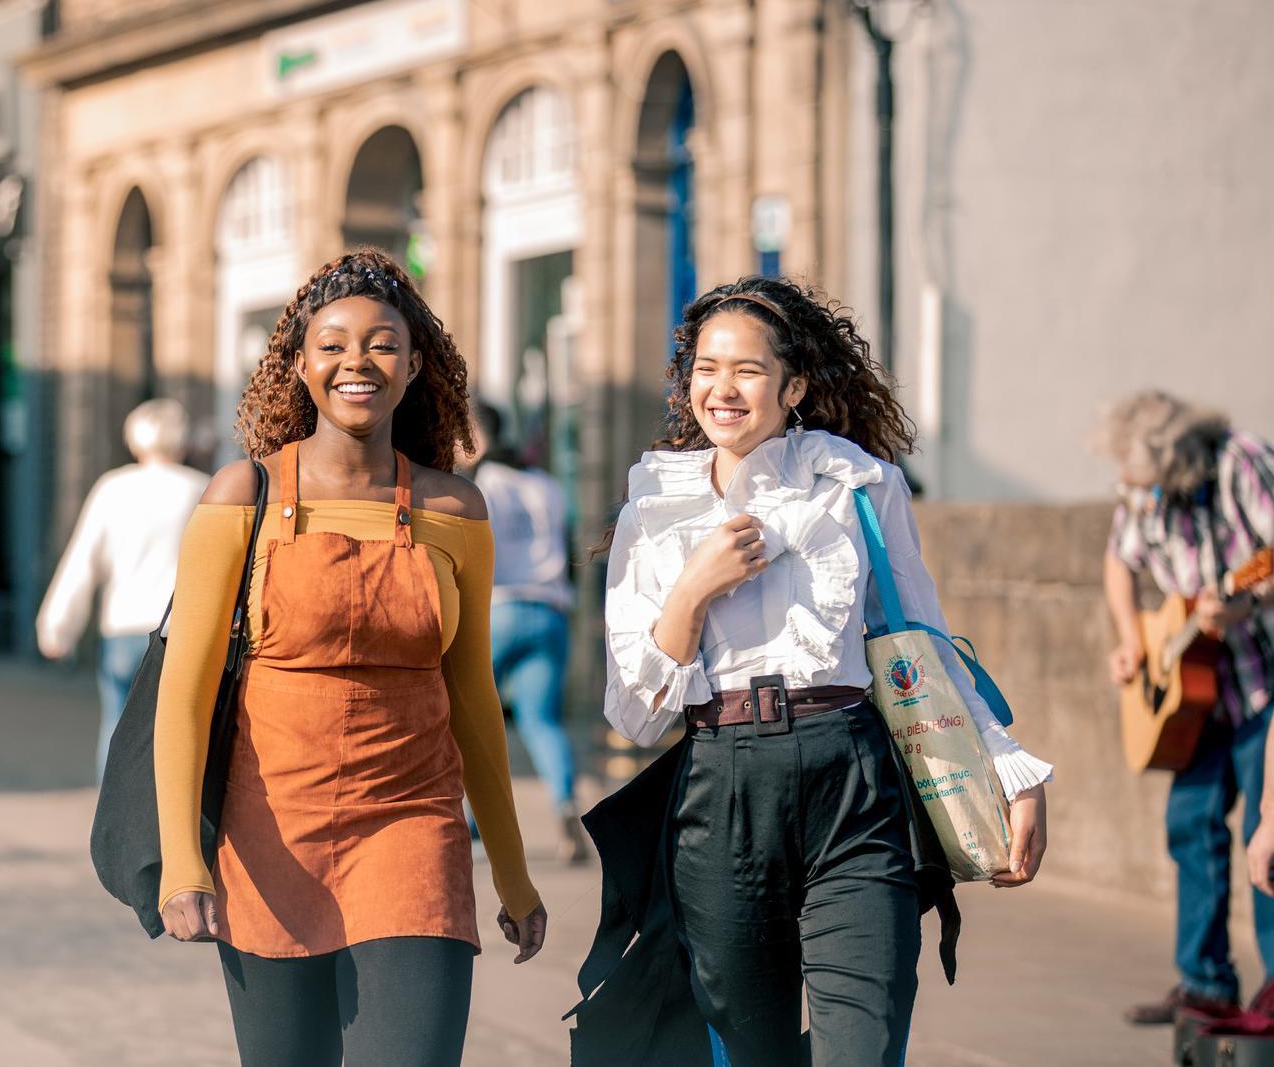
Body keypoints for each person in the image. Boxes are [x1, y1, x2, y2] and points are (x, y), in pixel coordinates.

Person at [593, 277, 1051, 1065]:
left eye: (746, 369)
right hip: (720, 791)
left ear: (793, 385)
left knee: (863, 1044)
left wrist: (1009, 766)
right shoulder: (653, 507)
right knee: (751, 1049)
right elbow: (632, 715)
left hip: (852, 785)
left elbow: (923, 640)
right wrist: (692, 591)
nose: (721, 388)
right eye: (705, 368)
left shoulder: (857, 484)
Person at [154, 249, 545, 1067]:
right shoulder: (240, 496)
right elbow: (184, 691)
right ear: (298, 365)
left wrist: (511, 871)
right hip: (269, 836)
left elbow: (471, 694)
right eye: (331, 344)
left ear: (412, 366)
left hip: (413, 829)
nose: (355, 362)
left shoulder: (453, 507)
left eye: (380, 344)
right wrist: (182, 865)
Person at [1099, 391, 1274, 1024]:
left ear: (1176, 467)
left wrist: (1247, 604)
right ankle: (1205, 983)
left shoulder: (1241, 464)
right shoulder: (1141, 489)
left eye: (1147, 487)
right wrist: (1130, 639)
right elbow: (1119, 562)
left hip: (1261, 683)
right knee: (1190, 828)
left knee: (1268, 838)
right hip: (1194, 704)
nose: (1138, 497)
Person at [36, 398, 208, 779]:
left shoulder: (113, 488)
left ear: (134, 441)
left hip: (123, 630)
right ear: (181, 442)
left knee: (117, 727)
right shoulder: (201, 489)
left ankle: (112, 825)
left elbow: (82, 560)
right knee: (178, 732)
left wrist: (57, 626)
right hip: (179, 633)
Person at [460, 401, 588, 863]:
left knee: (467, 717)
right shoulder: (546, 484)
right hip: (550, 609)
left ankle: (471, 823)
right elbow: (570, 548)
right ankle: (566, 804)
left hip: (498, 609)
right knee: (542, 721)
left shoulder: (480, 484)